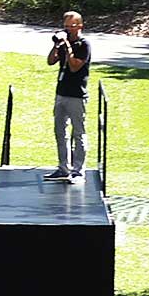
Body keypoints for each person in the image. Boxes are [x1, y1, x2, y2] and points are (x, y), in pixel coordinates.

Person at [46, 9, 92, 183]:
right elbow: (50, 61)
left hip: (77, 95)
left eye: (70, 26)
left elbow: (74, 67)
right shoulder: (64, 44)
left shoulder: (84, 45)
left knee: (78, 133)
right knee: (60, 132)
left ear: (80, 26)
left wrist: (68, 48)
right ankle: (63, 168)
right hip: (61, 93)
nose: (67, 30)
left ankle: (78, 171)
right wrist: (56, 45)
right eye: (65, 26)